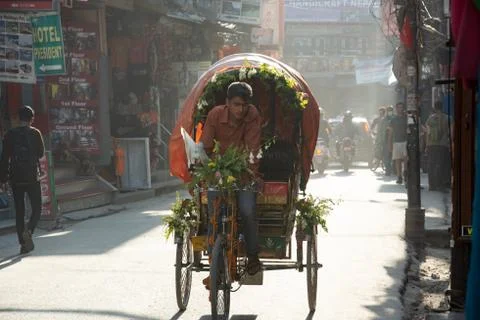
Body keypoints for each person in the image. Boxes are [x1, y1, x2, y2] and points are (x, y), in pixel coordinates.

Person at [200, 82, 262, 276]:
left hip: (244, 173)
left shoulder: (252, 115)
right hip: (217, 172)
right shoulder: (215, 115)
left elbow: (253, 148)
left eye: (243, 105)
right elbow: (205, 147)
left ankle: (252, 255)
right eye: (236, 104)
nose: (240, 109)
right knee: (213, 213)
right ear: (227, 103)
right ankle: (213, 259)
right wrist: (213, 170)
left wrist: (247, 171)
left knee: (247, 209)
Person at [0, 106, 45, 254]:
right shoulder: (35, 133)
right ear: (32, 118)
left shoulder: (10, 134)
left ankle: (22, 243)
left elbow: (4, 157)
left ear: (18, 118)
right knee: (37, 209)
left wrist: (3, 178)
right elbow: (40, 153)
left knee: (20, 212)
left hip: (16, 177)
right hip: (32, 176)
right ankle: (29, 232)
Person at [425, 101, 452, 191]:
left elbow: (427, 133)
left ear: (434, 107)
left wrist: (426, 145)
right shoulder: (448, 118)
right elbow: (451, 133)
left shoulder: (430, 119)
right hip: (443, 145)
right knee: (441, 164)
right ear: (442, 107)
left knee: (431, 164)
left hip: (431, 145)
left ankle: (432, 185)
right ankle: (440, 184)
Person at [388, 103, 408, 184]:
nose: (400, 109)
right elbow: (390, 132)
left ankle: (406, 174)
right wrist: (389, 143)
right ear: (396, 109)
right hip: (396, 141)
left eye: (401, 107)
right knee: (397, 160)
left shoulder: (406, 118)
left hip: (405, 141)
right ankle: (399, 176)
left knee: (406, 159)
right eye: (399, 107)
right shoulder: (393, 119)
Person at [381, 106, 394, 176]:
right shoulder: (384, 120)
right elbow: (381, 131)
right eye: (388, 110)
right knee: (386, 155)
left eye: (391, 110)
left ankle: (393, 169)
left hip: (394, 139)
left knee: (393, 156)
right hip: (386, 140)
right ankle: (388, 169)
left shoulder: (394, 118)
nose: (390, 111)